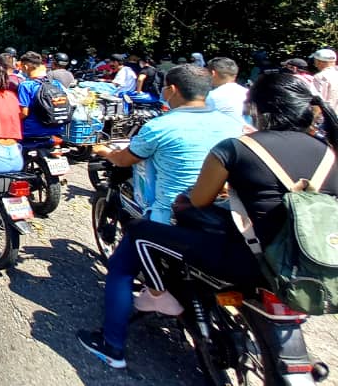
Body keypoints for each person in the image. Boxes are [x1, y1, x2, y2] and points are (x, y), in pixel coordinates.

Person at [78, 73, 338, 370]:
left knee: (133, 245)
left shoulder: (237, 144)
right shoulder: (327, 151)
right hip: (310, 261)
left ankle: (120, 337)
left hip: (251, 258)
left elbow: (198, 199)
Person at [91, 65, 247, 225]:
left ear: (172, 89)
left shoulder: (159, 126)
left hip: (168, 215)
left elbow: (123, 160)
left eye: (164, 87)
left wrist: (104, 150)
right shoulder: (233, 125)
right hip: (218, 210)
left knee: (130, 243)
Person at [17, 51, 68, 140]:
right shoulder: (56, 84)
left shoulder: (26, 86)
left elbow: (24, 113)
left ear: (25, 67)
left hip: (31, 131)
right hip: (57, 129)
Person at [313, 48, 338, 112]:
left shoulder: (320, 77)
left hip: (328, 117)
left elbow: (318, 101)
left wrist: (313, 120)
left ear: (319, 62)